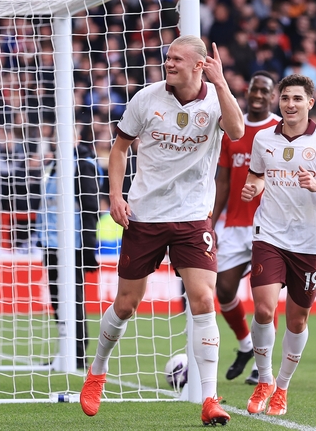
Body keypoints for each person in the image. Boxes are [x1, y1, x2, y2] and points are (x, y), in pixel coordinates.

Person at [79, 35, 244, 426]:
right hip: (146, 215)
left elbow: (236, 131)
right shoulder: (147, 98)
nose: (168, 63)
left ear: (199, 65)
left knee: (204, 299)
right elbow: (119, 148)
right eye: (167, 57)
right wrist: (115, 196)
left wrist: (221, 84)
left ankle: (209, 399)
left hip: (191, 217)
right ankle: (97, 371)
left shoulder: (215, 99)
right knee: (126, 305)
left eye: (176, 59)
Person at [241, 74, 316, 416]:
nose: (289, 104)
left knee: (297, 320)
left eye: (296, 99)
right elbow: (257, 175)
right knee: (262, 309)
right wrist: (254, 188)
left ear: (310, 103)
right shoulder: (263, 139)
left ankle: (283, 388)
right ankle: (264, 380)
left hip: (307, 241)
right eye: (285, 98)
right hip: (269, 235)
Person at [212, 71, 280, 385]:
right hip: (237, 225)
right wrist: (209, 223)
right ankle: (245, 345)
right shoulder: (231, 127)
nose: (258, 94)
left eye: (265, 90)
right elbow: (223, 183)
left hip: (271, 226)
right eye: (254, 89)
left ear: (272, 96)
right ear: (247, 91)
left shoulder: (280, 130)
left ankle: (260, 367)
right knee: (223, 289)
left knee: (265, 299)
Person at [38, 132, 101, 371]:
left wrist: (87, 245)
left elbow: (90, 207)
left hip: (72, 243)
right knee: (57, 298)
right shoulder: (53, 165)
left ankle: (77, 353)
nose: (57, 140)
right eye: (55, 136)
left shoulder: (83, 165)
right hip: (51, 242)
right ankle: (66, 348)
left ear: (75, 137)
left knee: (72, 298)